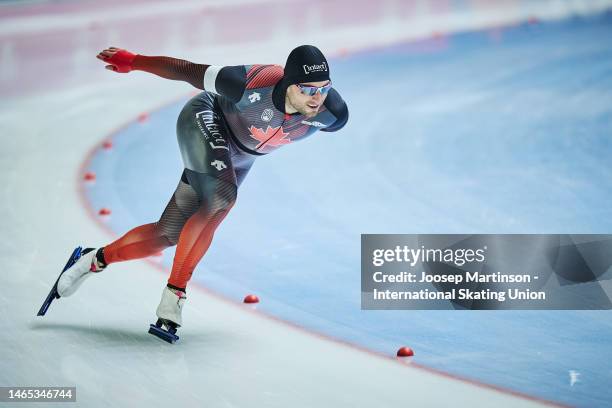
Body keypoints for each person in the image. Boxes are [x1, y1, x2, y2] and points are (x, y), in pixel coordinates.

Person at [54, 45, 349, 340]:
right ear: (288, 83)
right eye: (308, 89)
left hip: (240, 158)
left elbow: (316, 111)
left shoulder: (332, 114)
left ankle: (93, 259)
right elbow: (187, 70)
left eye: (324, 89)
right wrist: (134, 62)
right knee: (223, 198)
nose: (316, 98)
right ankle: (174, 296)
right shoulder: (249, 82)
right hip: (206, 119)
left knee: (166, 236)